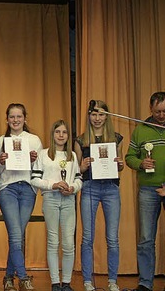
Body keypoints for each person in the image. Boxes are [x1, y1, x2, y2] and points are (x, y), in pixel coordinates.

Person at [0, 103, 42, 291]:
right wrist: (2, 161)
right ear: (7, 119)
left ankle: (7, 278)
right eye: (12, 117)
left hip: (28, 189)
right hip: (8, 189)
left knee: (18, 236)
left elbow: (40, 168)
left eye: (18, 116)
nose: (15, 120)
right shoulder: (0, 141)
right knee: (15, 234)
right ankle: (23, 277)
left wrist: (33, 159)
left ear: (24, 118)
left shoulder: (34, 140)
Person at [75, 100, 124, 291]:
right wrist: (83, 166)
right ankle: (88, 281)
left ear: (107, 116)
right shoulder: (81, 140)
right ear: (89, 116)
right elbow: (77, 170)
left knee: (112, 238)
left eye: (101, 114)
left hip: (111, 188)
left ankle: (112, 281)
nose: (97, 118)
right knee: (88, 237)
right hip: (89, 188)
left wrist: (119, 165)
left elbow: (120, 167)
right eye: (94, 114)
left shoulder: (117, 138)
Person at [31, 120, 82, 291]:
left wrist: (73, 188)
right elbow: (35, 179)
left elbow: (78, 179)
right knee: (53, 241)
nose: (61, 135)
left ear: (68, 136)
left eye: (64, 132)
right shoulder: (44, 154)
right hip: (51, 199)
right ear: (52, 134)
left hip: (68, 200)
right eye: (57, 132)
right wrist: (53, 185)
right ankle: (55, 283)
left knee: (68, 243)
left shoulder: (72, 156)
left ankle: (66, 283)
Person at [125, 92, 165, 291]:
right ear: (151, 109)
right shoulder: (140, 130)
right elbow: (129, 157)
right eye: (158, 111)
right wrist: (141, 163)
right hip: (148, 189)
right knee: (146, 238)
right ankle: (145, 284)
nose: (161, 115)